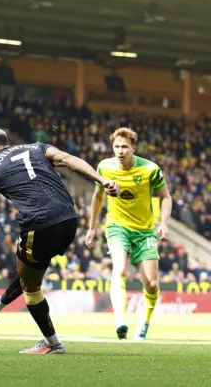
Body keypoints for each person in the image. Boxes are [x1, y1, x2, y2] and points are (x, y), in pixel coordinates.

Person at [0, 128, 119, 354]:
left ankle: (52, 343)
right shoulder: (35, 147)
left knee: (31, 286)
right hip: (69, 219)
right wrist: (102, 179)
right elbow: (67, 159)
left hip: (39, 222)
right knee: (30, 273)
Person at [86, 127, 171, 341]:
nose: (120, 151)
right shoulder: (105, 167)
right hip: (117, 226)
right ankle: (120, 320)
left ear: (134, 147)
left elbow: (166, 197)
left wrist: (165, 224)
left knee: (151, 283)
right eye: (116, 146)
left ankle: (144, 322)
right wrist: (91, 227)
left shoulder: (150, 170)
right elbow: (97, 198)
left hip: (144, 231)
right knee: (120, 269)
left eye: (125, 146)